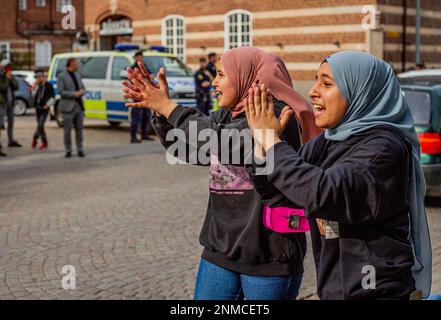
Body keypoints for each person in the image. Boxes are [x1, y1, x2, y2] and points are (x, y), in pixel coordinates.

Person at [122, 47, 320, 300]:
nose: (214, 83)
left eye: (221, 75)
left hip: (267, 256)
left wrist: (170, 107)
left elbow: (221, 142)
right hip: (219, 250)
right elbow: (187, 149)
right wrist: (160, 112)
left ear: (246, 76)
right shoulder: (226, 114)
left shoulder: (277, 116)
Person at [244, 51, 432, 300]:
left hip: (376, 289)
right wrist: (262, 146)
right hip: (335, 287)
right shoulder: (329, 140)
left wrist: (273, 142)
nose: (312, 91)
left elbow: (322, 193)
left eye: (327, 83)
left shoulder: (384, 147)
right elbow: (280, 193)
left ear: (360, 91)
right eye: (315, 80)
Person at [57, 58, 86, 158]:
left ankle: (80, 149)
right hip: (68, 107)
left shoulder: (78, 75)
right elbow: (60, 91)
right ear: (71, 64)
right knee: (67, 130)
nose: (78, 65)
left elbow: (83, 87)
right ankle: (68, 150)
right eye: (76, 64)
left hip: (79, 106)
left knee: (79, 130)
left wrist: (82, 91)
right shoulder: (61, 76)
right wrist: (74, 94)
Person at [130, 51, 153, 143]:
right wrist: (146, 78)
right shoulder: (133, 68)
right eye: (139, 57)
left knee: (146, 116)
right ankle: (133, 137)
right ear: (135, 58)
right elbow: (137, 79)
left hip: (145, 95)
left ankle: (144, 134)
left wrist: (147, 77)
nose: (141, 59)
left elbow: (151, 75)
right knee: (136, 117)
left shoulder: (144, 66)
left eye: (142, 57)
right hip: (137, 96)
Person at [0, 59, 21, 155]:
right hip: (2, 104)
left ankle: (11, 140)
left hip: (10, 103)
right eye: (7, 67)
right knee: (0, 124)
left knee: (11, 123)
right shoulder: (1, 77)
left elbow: (16, 87)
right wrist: (7, 79)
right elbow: (3, 88)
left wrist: (11, 78)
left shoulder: (10, 76)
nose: (9, 69)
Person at [32, 70, 55, 150]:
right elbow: (33, 96)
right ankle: (42, 141)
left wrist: (47, 105)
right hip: (38, 108)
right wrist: (34, 88)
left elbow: (52, 97)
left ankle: (37, 138)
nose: (37, 79)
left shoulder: (48, 85)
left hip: (44, 108)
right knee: (40, 126)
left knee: (41, 125)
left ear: (42, 77)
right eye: (36, 78)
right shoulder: (37, 86)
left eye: (38, 77)